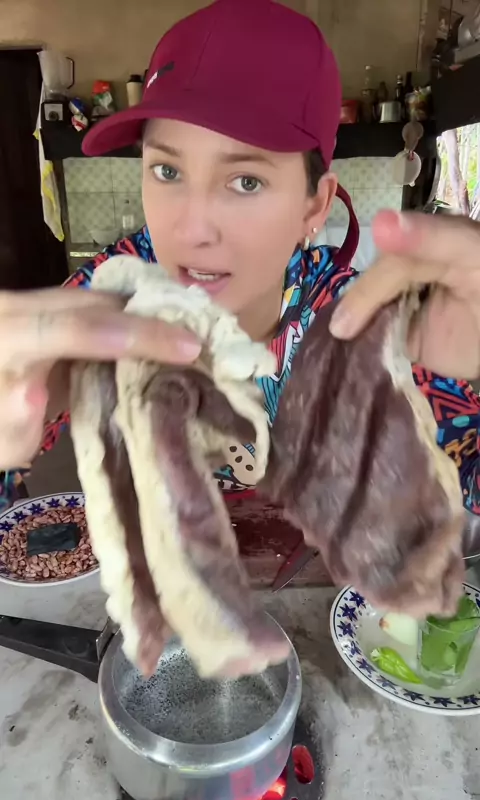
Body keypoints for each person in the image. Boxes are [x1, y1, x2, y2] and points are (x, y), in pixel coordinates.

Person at [0, 0, 479, 518]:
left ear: (314, 205)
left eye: (246, 181)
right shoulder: (113, 296)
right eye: (167, 171)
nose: (192, 230)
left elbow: (468, 482)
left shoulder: (359, 323)